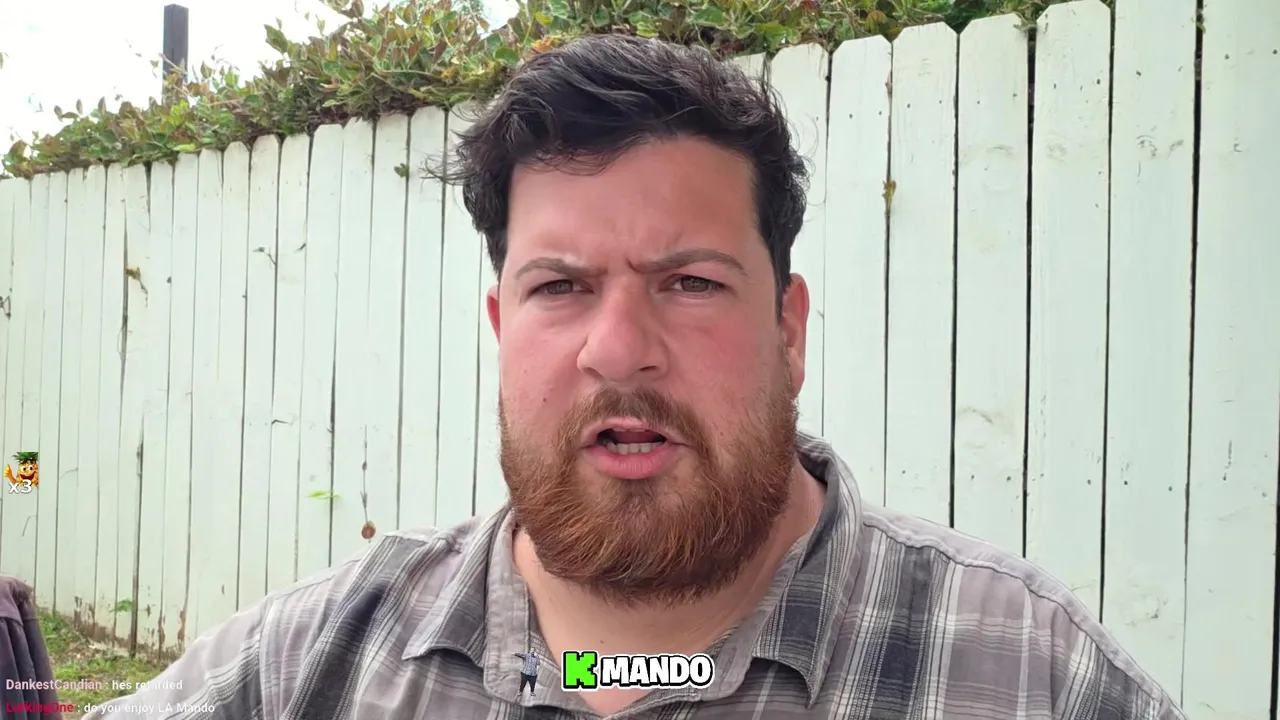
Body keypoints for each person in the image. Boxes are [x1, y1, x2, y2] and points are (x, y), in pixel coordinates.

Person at [85, 33, 1185, 719]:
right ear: (500, 327)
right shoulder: (309, 665)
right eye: (559, 286)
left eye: (690, 283)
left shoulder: (1032, 677)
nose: (618, 348)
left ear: (789, 331)